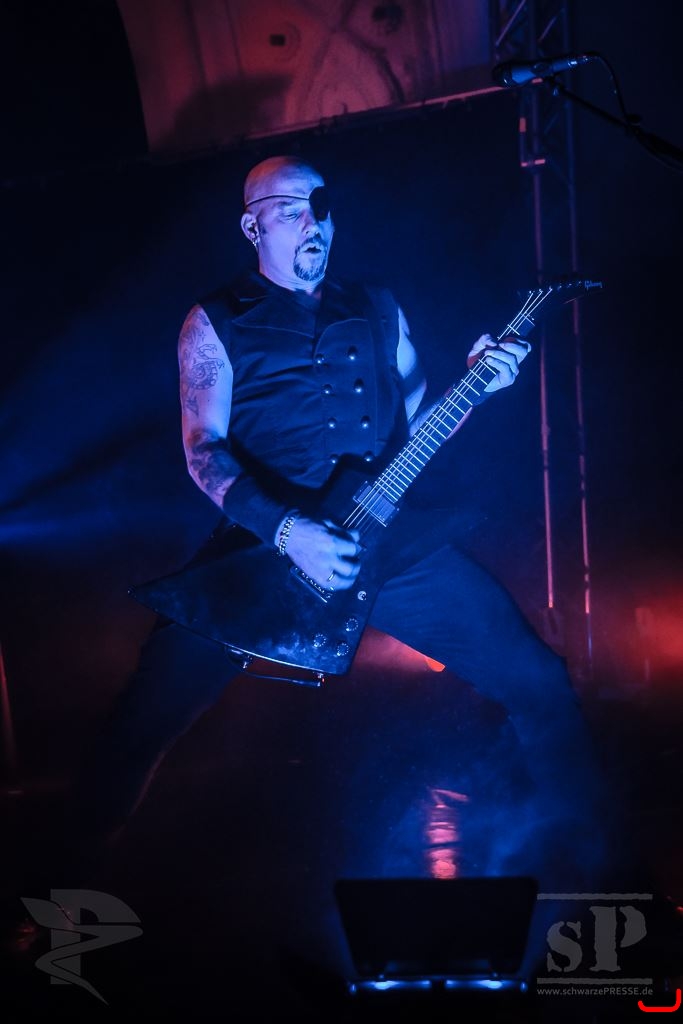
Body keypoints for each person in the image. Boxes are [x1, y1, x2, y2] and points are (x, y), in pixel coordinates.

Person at [13, 156, 619, 917]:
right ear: (252, 224)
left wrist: (477, 385)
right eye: (292, 208)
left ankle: (604, 884)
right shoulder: (216, 320)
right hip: (266, 550)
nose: (314, 224)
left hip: (386, 544)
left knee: (537, 682)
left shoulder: (378, 306)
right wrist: (286, 529)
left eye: (323, 208)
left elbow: (418, 429)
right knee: (143, 719)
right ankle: (57, 909)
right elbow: (203, 451)